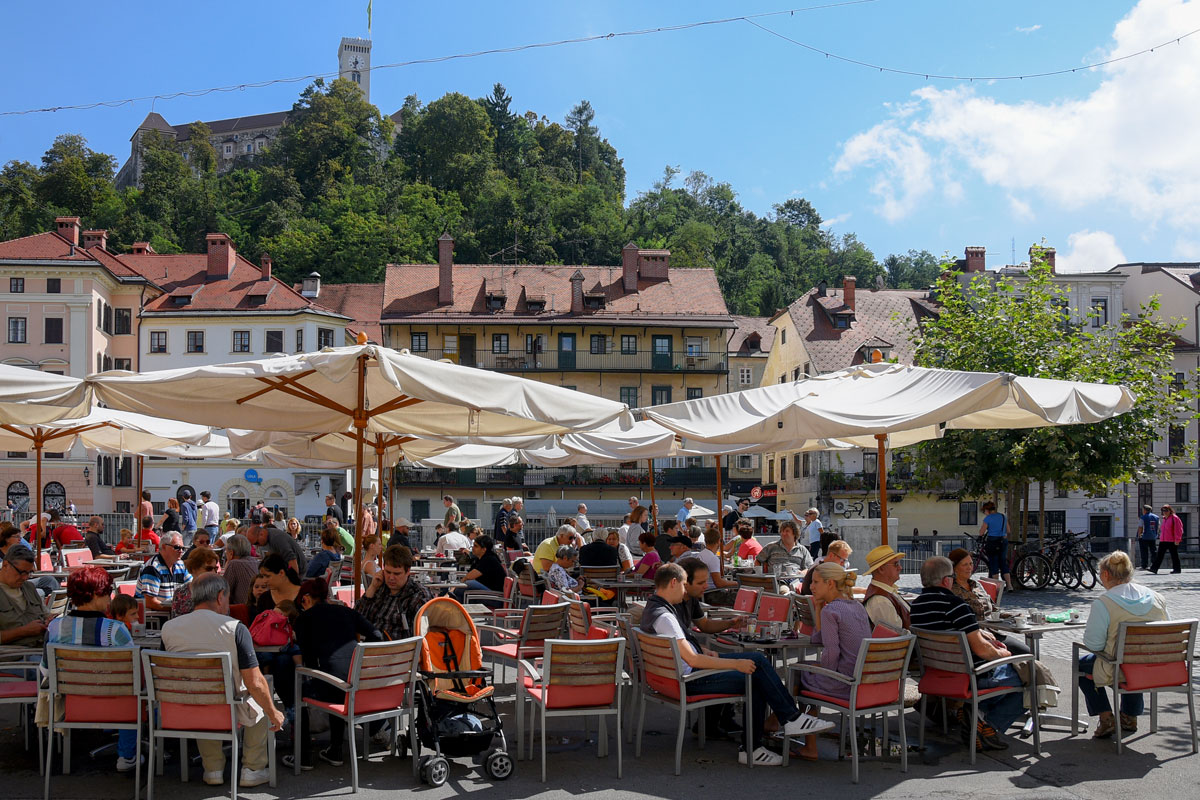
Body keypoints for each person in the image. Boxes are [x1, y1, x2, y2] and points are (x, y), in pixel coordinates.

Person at [641, 563, 833, 766]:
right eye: (682, 584)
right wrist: (735, 665)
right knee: (754, 675)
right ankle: (757, 744)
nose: (684, 590)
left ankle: (785, 722)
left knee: (756, 661)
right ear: (674, 583)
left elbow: (689, 650)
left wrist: (719, 653)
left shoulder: (654, 610)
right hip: (690, 680)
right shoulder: (666, 617)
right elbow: (693, 660)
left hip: (672, 678)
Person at [161, 574, 284, 787]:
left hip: (183, 708)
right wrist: (274, 712)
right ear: (220, 597)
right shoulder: (234, 628)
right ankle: (252, 768)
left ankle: (213, 769)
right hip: (228, 707)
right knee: (261, 691)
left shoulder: (169, 628)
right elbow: (254, 682)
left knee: (201, 693)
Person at [910, 556, 1023, 751]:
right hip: (969, 676)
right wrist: (1004, 654)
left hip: (936, 673)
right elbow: (982, 650)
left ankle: (975, 715)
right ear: (947, 580)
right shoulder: (956, 606)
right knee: (1028, 676)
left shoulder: (917, 607)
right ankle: (987, 725)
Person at [43, 566, 139, 771]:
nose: (110, 598)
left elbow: (45, 670)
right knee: (137, 692)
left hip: (72, 703)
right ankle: (126, 756)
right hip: (116, 704)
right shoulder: (116, 630)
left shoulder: (55, 627)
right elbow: (132, 674)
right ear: (96, 594)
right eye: (107, 593)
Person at [288, 578, 384, 770]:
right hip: (359, 683)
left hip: (332, 686)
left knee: (295, 684)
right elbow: (377, 636)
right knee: (338, 677)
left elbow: (307, 658)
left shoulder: (304, 619)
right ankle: (336, 749)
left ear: (306, 598)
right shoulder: (346, 612)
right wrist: (362, 655)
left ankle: (304, 754)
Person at [1078, 551, 1170, 739]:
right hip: (1155, 668)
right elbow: (1166, 631)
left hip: (1121, 668)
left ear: (1105, 575)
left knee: (1081, 665)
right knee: (1132, 657)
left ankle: (1106, 717)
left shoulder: (1104, 603)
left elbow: (1093, 644)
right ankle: (1129, 716)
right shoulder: (1157, 598)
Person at [792, 560, 873, 760]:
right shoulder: (857, 606)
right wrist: (819, 608)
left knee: (801, 677)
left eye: (816, 582)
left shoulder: (832, 611)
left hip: (846, 682)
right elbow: (819, 638)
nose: (810, 587)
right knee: (806, 672)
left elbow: (830, 653)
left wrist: (821, 668)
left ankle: (808, 744)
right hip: (864, 681)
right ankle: (777, 721)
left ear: (830, 584)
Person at [357, 545, 432, 640]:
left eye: (397, 574)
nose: (391, 578)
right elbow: (357, 618)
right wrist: (372, 587)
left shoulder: (418, 595)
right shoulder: (380, 587)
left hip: (401, 650)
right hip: (372, 646)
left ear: (408, 571)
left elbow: (423, 634)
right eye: (388, 572)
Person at [0, 546, 48, 646]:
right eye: (21, 572)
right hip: (14, 656)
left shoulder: (29, 588)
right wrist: (23, 631)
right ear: (5, 565)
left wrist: (50, 621)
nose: (25, 577)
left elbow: (46, 614)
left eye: (29, 573)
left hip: (41, 648)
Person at [136, 533, 190, 612]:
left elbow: (192, 588)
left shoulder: (180, 565)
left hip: (173, 614)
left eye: (183, 548)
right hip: (155, 618)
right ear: (164, 547)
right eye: (177, 547)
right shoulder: (153, 568)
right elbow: (150, 603)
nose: (181, 551)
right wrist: (178, 610)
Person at [861, 545, 910, 630]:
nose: (900, 568)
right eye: (896, 564)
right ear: (881, 569)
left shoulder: (885, 593)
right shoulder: (880, 600)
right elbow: (898, 636)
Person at [755, 520, 814, 592]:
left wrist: (801, 573)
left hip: (796, 581)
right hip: (778, 582)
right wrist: (761, 576)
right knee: (784, 591)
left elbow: (809, 568)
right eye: (782, 531)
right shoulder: (771, 547)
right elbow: (758, 560)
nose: (783, 533)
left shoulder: (802, 549)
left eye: (787, 531)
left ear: (794, 533)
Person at [454, 534, 508, 601]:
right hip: (485, 593)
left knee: (469, 583)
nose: (473, 548)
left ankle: (452, 596)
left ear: (484, 549)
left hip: (496, 597)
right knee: (460, 595)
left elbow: (469, 576)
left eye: (476, 546)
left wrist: (456, 586)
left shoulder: (489, 559)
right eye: (473, 545)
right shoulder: (479, 559)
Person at [170, 546, 220, 618]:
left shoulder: (219, 592)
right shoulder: (180, 593)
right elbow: (175, 621)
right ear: (194, 568)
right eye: (208, 568)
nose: (213, 572)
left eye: (215, 568)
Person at [978, 501, 1014, 592]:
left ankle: (997, 588)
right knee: (1003, 563)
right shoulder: (1003, 516)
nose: (984, 513)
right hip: (1003, 541)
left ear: (987, 510)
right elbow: (1008, 530)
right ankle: (1009, 585)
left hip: (992, 542)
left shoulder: (988, 518)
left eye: (984, 511)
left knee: (994, 564)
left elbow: (981, 532)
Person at [222, 534, 259, 607]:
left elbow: (224, 592)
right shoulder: (255, 561)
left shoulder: (234, 564)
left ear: (231, 553)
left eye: (226, 551)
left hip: (244, 610)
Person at [1150, 503, 1183, 574]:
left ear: (1170, 510)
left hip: (1172, 540)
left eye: (1166, 510)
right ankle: (1154, 568)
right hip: (1163, 540)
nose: (1164, 512)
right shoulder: (1164, 519)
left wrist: (1177, 539)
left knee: (1174, 555)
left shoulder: (1175, 518)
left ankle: (1177, 569)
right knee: (1159, 555)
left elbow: (1178, 529)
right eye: (1163, 510)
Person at [1134, 504, 1158, 570]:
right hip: (1153, 536)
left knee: (1144, 551)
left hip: (1144, 536)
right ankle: (1154, 564)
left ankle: (1144, 565)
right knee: (1153, 551)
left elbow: (1140, 527)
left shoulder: (1143, 517)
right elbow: (1158, 527)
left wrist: (1139, 535)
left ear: (1144, 510)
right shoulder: (1156, 517)